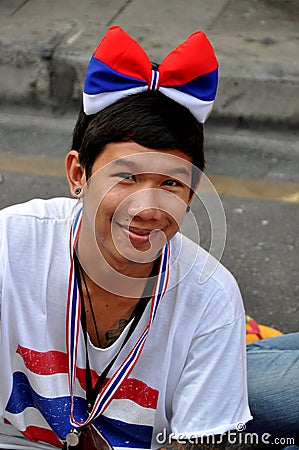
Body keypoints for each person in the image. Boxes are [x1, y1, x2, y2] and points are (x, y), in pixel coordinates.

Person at [0, 26, 252, 449]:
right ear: (78, 173)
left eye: (171, 184)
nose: (147, 208)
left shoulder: (212, 296)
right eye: (127, 177)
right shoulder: (10, 246)